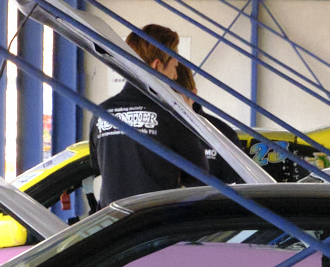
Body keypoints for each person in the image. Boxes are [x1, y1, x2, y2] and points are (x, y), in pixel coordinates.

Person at [89, 24, 238, 203]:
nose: (175, 76)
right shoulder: (172, 115)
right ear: (157, 66)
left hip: (114, 219)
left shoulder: (101, 112)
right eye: (174, 67)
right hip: (155, 217)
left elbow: (97, 166)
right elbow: (198, 175)